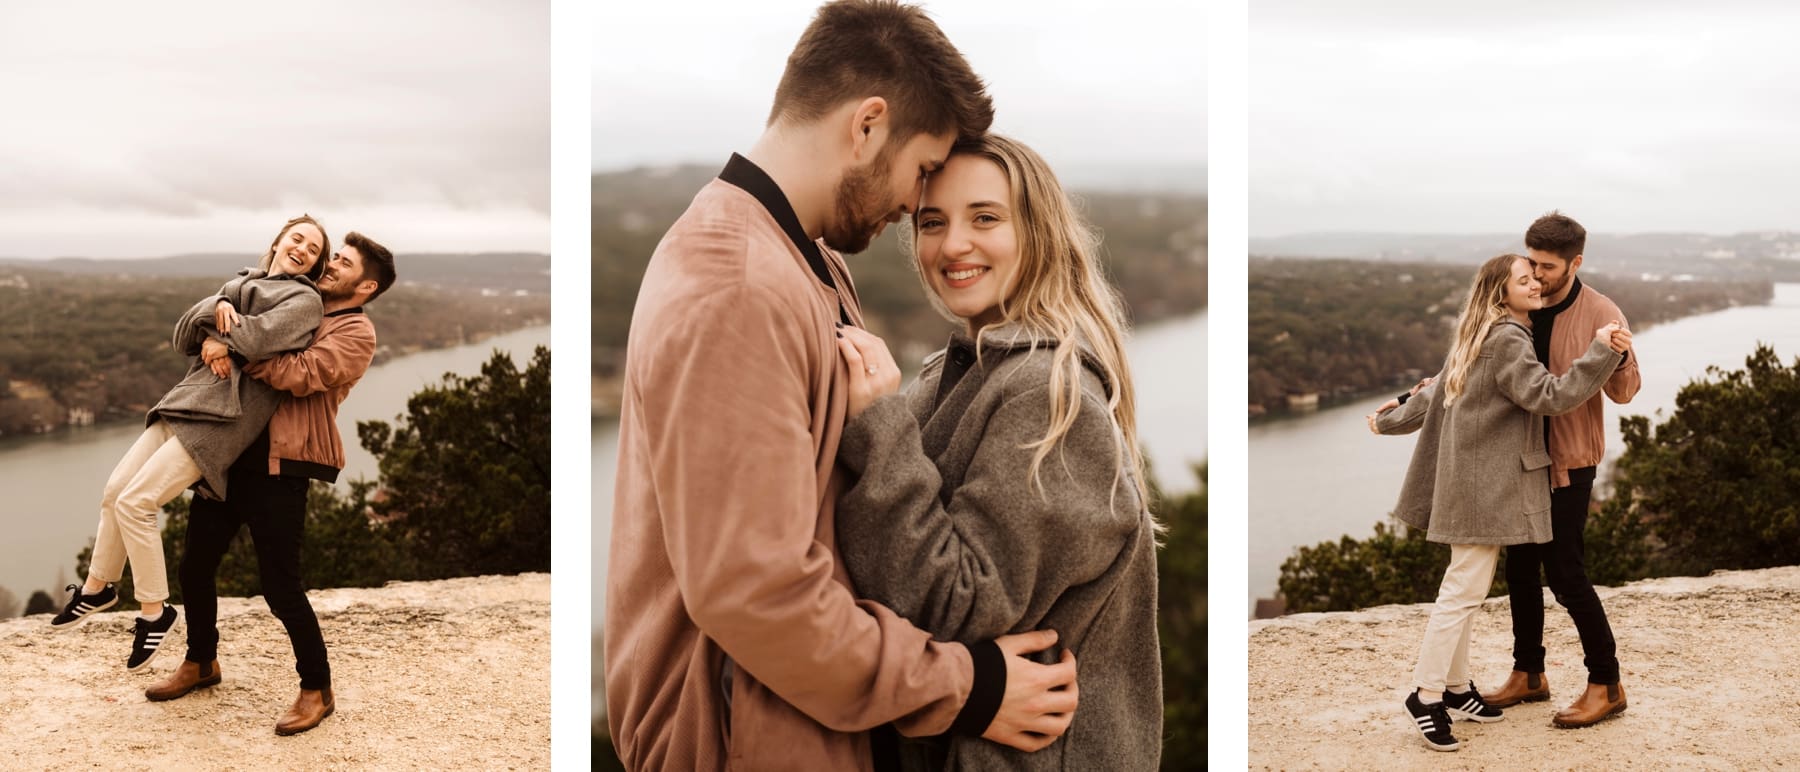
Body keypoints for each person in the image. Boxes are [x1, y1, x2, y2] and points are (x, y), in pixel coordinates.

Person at [605, 2, 1079, 769]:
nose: (914, 205)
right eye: (922, 170)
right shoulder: (740, 283)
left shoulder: (805, 261)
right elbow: (755, 591)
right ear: (867, 125)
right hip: (736, 742)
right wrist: (966, 687)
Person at [831, 134, 1162, 769]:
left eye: (985, 218)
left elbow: (959, 611)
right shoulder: (955, 372)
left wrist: (874, 424)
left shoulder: (1048, 393)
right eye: (932, 222)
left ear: (1038, 233)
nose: (953, 245)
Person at [1369, 253, 1629, 752]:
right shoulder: (1509, 338)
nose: (1534, 285)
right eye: (1524, 280)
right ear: (1500, 291)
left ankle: (1458, 687)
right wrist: (1600, 351)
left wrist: (1390, 418)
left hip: (1468, 484)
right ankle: (1426, 696)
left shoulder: (1478, 331)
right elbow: (1550, 396)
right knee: (1462, 593)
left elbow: (1436, 392)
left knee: (1464, 588)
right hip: (1483, 490)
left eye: (1536, 278)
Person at [143, 232, 394, 737]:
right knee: (196, 565)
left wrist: (231, 345)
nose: (331, 264)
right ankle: (201, 661)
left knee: (280, 585)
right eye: (334, 256)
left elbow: (302, 372)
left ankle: (316, 688)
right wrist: (225, 329)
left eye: (343, 263)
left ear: (365, 286)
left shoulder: (356, 333)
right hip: (228, 450)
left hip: (284, 463)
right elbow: (227, 312)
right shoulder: (295, 300)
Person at [51, 215, 328, 672]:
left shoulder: (304, 300)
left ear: (314, 264)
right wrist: (217, 308)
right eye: (296, 238)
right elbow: (183, 333)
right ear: (279, 241)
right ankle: (98, 588)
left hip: (220, 420)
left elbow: (256, 339)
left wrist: (222, 333)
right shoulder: (240, 283)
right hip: (181, 403)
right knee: (114, 493)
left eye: (313, 249)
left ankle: (154, 613)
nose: (302, 248)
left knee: (137, 503)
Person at [1480, 211, 1638, 728]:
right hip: (1521, 461)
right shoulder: (1518, 302)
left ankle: (1606, 683)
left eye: (1548, 266)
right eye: (1533, 264)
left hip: (1570, 460)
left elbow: (1626, 392)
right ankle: (1529, 675)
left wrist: (1615, 354)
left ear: (1576, 262)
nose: (1539, 275)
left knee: (1567, 574)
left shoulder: (1601, 310)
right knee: (1520, 571)